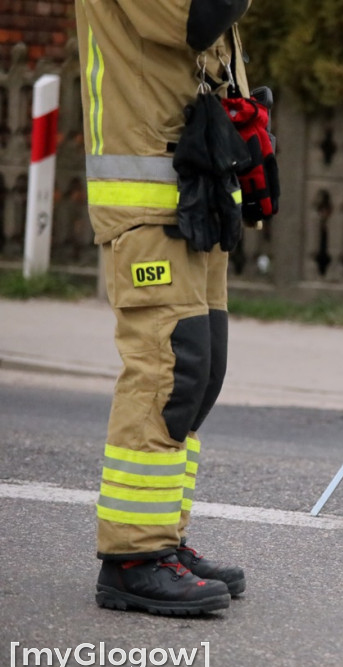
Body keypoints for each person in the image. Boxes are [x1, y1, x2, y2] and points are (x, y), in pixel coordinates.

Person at [75, 0, 257, 616]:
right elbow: (195, 19)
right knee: (166, 369)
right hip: (147, 202)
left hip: (192, 187)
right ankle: (132, 560)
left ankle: (164, 541)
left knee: (203, 370)